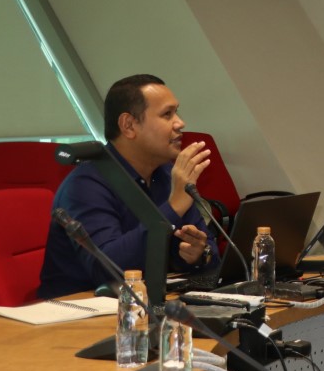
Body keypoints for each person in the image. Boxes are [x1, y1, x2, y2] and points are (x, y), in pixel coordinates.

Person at [38, 74, 219, 298]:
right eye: (167, 114)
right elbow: (107, 270)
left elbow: (210, 251)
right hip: (79, 310)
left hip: (142, 302)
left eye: (177, 112)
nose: (180, 123)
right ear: (129, 126)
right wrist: (173, 208)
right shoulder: (84, 186)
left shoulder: (165, 174)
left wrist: (198, 254)